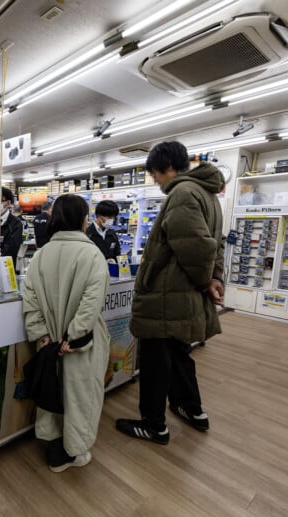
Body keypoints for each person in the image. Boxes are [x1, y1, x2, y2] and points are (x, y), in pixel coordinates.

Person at [116, 141, 225, 445]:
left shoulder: (181, 193)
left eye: (154, 175)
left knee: (154, 362)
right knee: (179, 356)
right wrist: (215, 277)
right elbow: (216, 244)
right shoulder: (208, 195)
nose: (156, 182)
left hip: (166, 296)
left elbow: (198, 248)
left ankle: (154, 425)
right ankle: (192, 410)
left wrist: (206, 281)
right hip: (182, 297)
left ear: (167, 168)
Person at [22, 194, 110, 472]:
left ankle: (53, 445)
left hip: (49, 341)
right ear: (82, 220)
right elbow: (91, 304)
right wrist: (72, 336)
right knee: (81, 396)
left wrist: (43, 336)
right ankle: (74, 452)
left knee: (52, 393)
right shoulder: (93, 254)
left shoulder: (40, 256)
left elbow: (31, 300)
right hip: (78, 345)